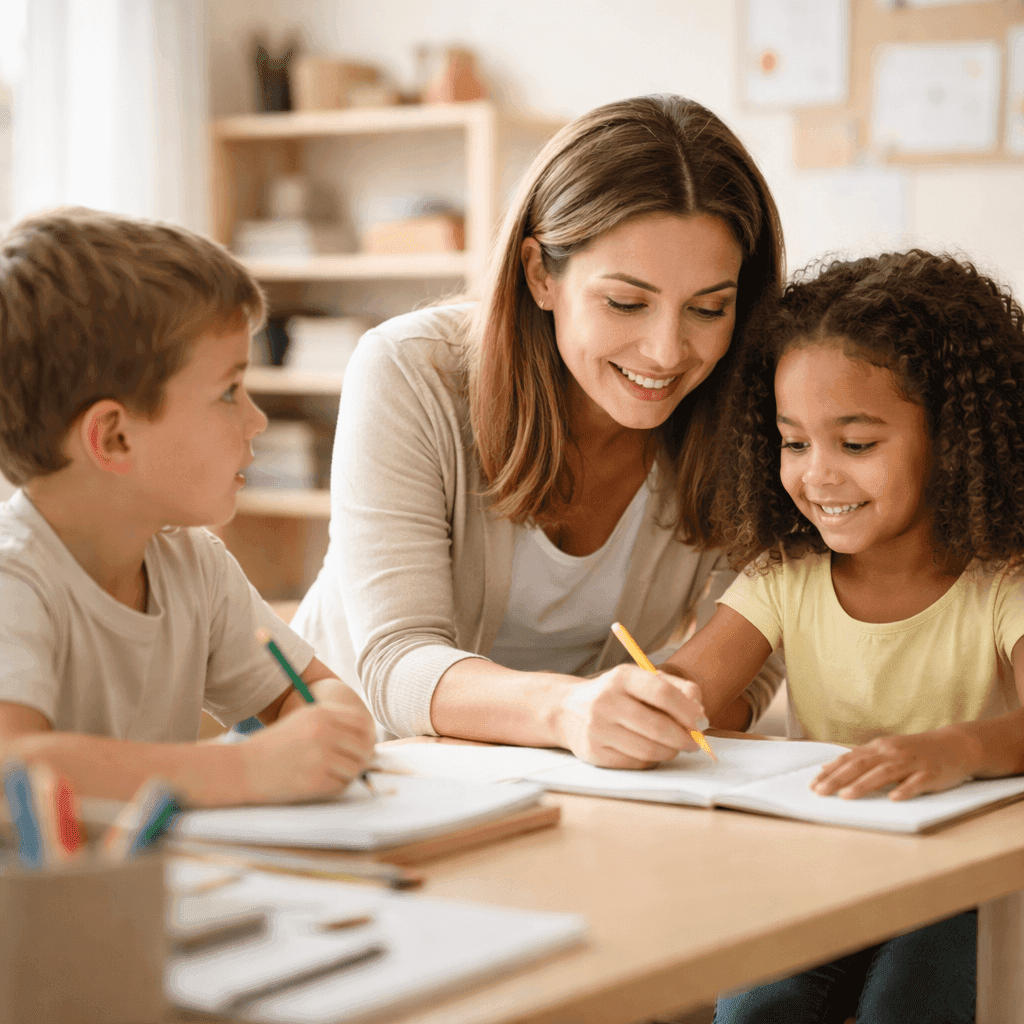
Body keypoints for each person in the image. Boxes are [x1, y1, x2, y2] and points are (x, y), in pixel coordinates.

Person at [291, 94, 787, 761]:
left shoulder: (744, 409)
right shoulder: (409, 370)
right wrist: (567, 710)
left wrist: (658, 708)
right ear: (538, 274)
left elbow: (760, 635)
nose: (668, 352)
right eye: (626, 302)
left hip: (566, 782)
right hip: (351, 765)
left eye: (707, 308)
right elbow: (396, 663)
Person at [657, 250, 1024, 1023]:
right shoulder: (785, 575)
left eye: (855, 445)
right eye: (795, 442)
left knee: (907, 1006)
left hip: (968, 882)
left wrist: (951, 751)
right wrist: (650, 702)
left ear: (955, 441)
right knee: (757, 1006)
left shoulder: (1003, 581)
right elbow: (692, 687)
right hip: (829, 863)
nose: (817, 475)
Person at [0, 208, 376, 806]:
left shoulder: (193, 564)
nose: (256, 419)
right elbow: (12, 767)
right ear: (115, 438)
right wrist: (249, 771)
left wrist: (328, 724)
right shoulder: (13, 577)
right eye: (229, 391)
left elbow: (307, 693)